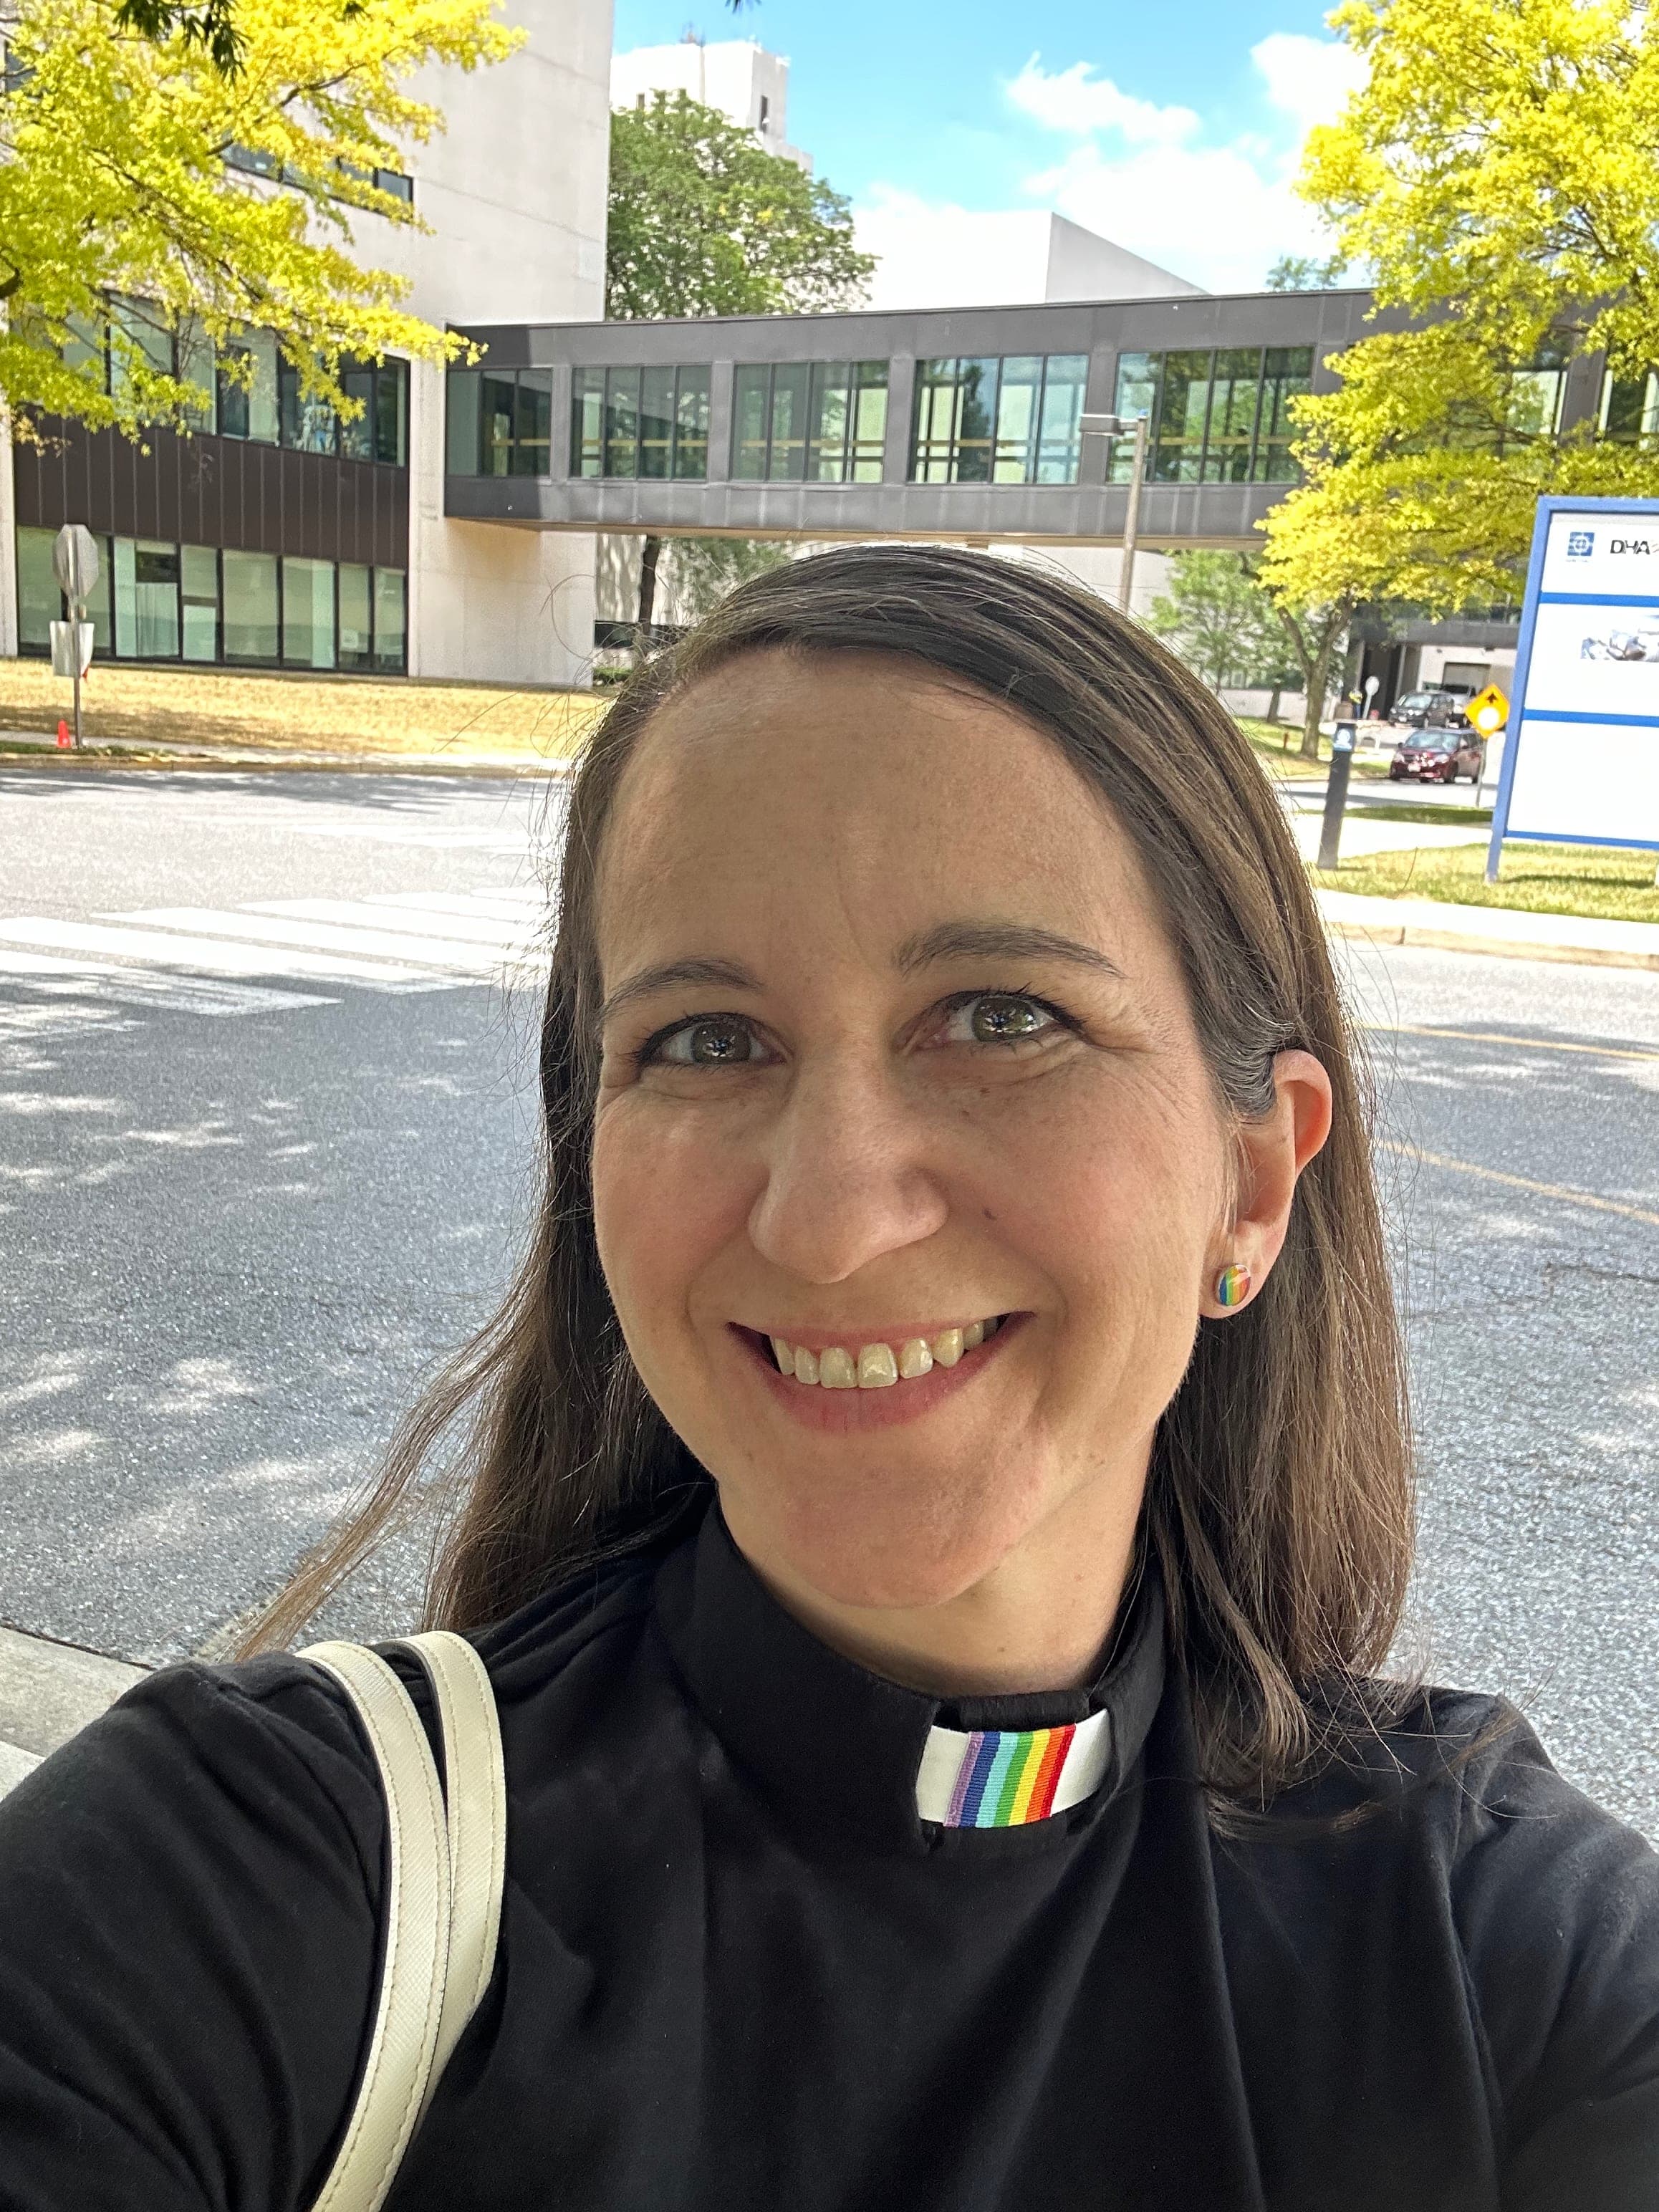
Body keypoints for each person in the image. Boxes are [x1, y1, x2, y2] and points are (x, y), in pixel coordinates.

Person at [0, 546, 1655, 2211]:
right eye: (707, 1040)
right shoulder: (249, 1883)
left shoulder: (1502, 1944)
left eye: (1001, 1013)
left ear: (1251, 1181)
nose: (833, 1216)